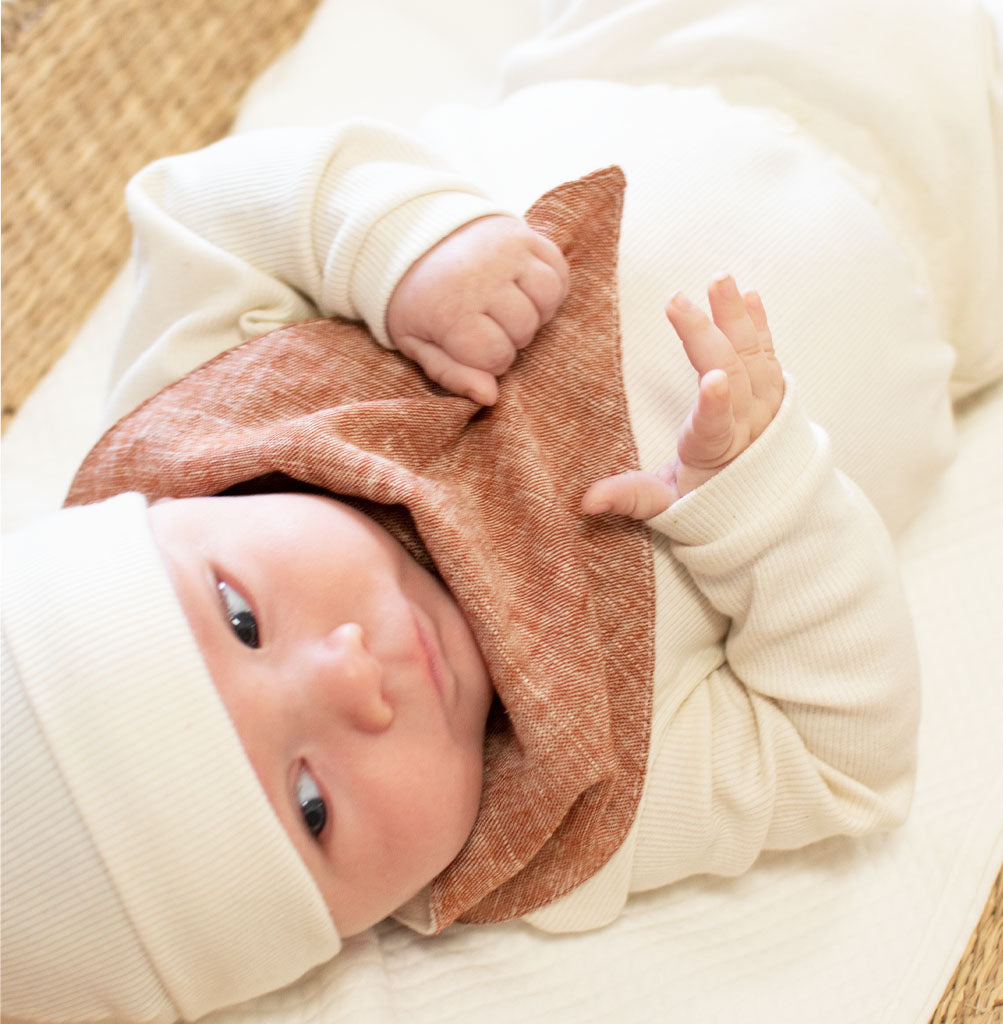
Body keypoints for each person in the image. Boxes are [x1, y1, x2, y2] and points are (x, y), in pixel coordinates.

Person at [1, 118, 920, 1024]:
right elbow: (843, 760)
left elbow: (201, 203)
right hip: (943, 245)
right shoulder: (575, 819)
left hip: (658, 62)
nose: (349, 676)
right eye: (311, 805)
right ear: (341, 933)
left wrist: (402, 246)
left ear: (169, 518)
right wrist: (761, 503)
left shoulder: (204, 411)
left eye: (241, 620)